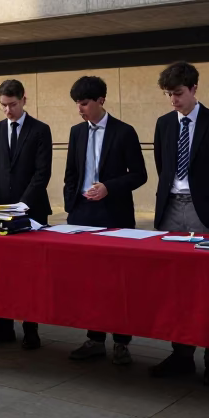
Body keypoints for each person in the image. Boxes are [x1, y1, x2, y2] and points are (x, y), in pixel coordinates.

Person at [149, 61, 209, 387]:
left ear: (193, 89)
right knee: (176, 287)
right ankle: (181, 354)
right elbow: (162, 166)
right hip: (171, 212)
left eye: (177, 93)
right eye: (168, 94)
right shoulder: (164, 124)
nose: (173, 100)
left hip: (206, 214)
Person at [63, 76, 147, 366]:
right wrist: (71, 205)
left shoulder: (124, 132)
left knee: (118, 280)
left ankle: (122, 342)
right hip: (82, 214)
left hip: (115, 214)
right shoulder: (76, 132)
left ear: (101, 101)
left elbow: (139, 174)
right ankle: (95, 339)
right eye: (77, 103)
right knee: (89, 280)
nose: (80, 109)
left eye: (84, 103)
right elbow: (71, 172)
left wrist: (109, 187)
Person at [0, 79, 52, 350]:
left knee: (29, 273)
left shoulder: (40, 130)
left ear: (24, 99)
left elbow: (41, 173)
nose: (8, 111)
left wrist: (22, 204)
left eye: (12, 105)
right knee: (2, 272)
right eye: (3, 106)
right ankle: (4, 325)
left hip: (30, 211)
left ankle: (31, 328)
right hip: (0, 211)